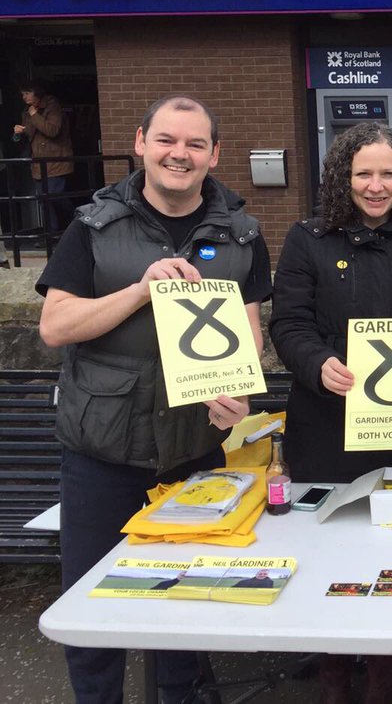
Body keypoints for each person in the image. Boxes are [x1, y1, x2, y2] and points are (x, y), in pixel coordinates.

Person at [37, 94, 272, 704]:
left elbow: (248, 330)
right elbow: (55, 326)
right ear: (140, 143)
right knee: (92, 606)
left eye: (196, 144)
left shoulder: (242, 234)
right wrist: (139, 292)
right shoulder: (93, 225)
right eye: (167, 140)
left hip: (193, 453)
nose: (180, 154)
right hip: (103, 450)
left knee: (185, 602)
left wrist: (240, 395)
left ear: (214, 154)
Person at [269, 121, 392, 704]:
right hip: (327, 424)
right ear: (341, 177)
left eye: (388, 174)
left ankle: (383, 674)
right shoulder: (308, 240)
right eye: (363, 174)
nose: (376, 187)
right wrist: (317, 363)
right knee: (327, 548)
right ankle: (333, 671)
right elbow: (288, 323)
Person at [15, 80, 74, 233]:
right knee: (43, 200)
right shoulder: (27, 111)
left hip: (56, 161)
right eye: (23, 94)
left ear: (36, 92)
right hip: (38, 162)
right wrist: (18, 132)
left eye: (27, 93)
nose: (24, 97)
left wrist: (34, 115)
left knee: (55, 195)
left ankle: (76, 221)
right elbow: (30, 135)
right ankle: (50, 233)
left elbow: (52, 131)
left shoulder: (52, 106)